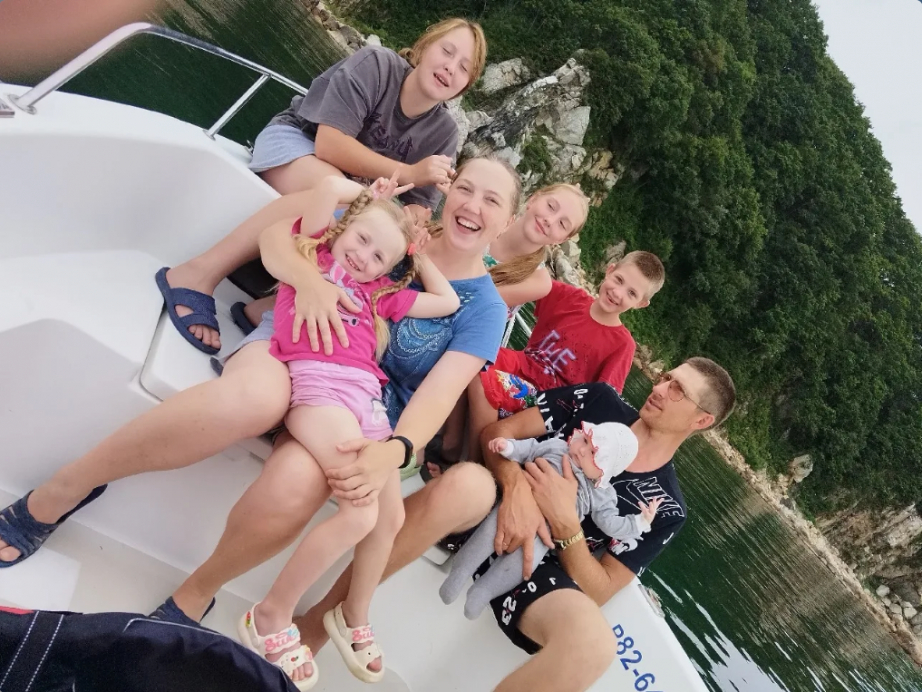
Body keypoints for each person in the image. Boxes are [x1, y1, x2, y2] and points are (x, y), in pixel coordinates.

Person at [0, 155, 520, 680]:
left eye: (492, 201)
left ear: (506, 223)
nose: (472, 206)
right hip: (290, 341)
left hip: (355, 405)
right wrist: (309, 281)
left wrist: (394, 451)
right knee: (249, 399)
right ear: (449, 189)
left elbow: (438, 396)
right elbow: (280, 235)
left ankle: (195, 594)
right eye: (466, 188)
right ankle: (66, 488)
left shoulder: (482, 307)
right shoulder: (393, 222)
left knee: (297, 482)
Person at [295, 358, 735, 692]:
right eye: (666, 377)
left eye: (678, 391)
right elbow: (497, 435)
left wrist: (565, 523)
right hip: (491, 505)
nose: (660, 388)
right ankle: (314, 626)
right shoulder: (598, 402)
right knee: (465, 485)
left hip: (538, 568)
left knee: (594, 646)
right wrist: (518, 490)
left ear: (701, 421)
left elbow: (600, 589)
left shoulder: (665, 507)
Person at [235, 174, 460, 688]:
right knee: (360, 514)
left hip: (366, 402)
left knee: (388, 514)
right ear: (344, 229)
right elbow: (322, 192)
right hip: (320, 389)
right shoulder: (315, 256)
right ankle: (271, 613)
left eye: (379, 257)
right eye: (361, 239)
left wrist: (416, 253)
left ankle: (348, 613)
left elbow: (446, 301)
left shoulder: (380, 295)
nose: (364, 257)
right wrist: (369, 198)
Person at [156, 17, 487, 355]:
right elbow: (329, 144)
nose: (450, 68)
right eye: (446, 51)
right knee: (342, 203)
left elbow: (417, 208)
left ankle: (267, 310)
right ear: (424, 47)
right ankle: (198, 273)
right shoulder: (377, 65)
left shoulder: (444, 133)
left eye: (464, 68)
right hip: (298, 143)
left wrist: (411, 223)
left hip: (354, 192)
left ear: (465, 85)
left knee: (380, 238)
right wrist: (408, 173)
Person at [439, 421, 662, 620]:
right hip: (518, 505)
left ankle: (484, 591)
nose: (582, 450)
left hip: (544, 535)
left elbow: (609, 523)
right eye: (585, 440)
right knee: (490, 532)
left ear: (606, 469)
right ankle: (459, 573)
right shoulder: (557, 447)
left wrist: (639, 523)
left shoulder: (602, 494)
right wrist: (508, 447)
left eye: (594, 453)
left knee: (523, 563)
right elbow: (530, 449)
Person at [461, 250, 666, 465]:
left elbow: (603, 401)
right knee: (469, 353)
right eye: (619, 280)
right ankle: (451, 445)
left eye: (631, 293)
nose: (618, 293)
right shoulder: (570, 297)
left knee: (483, 379)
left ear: (640, 303)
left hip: (548, 402)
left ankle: (473, 464)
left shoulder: (622, 345)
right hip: (520, 365)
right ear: (610, 270)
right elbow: (531, 283)